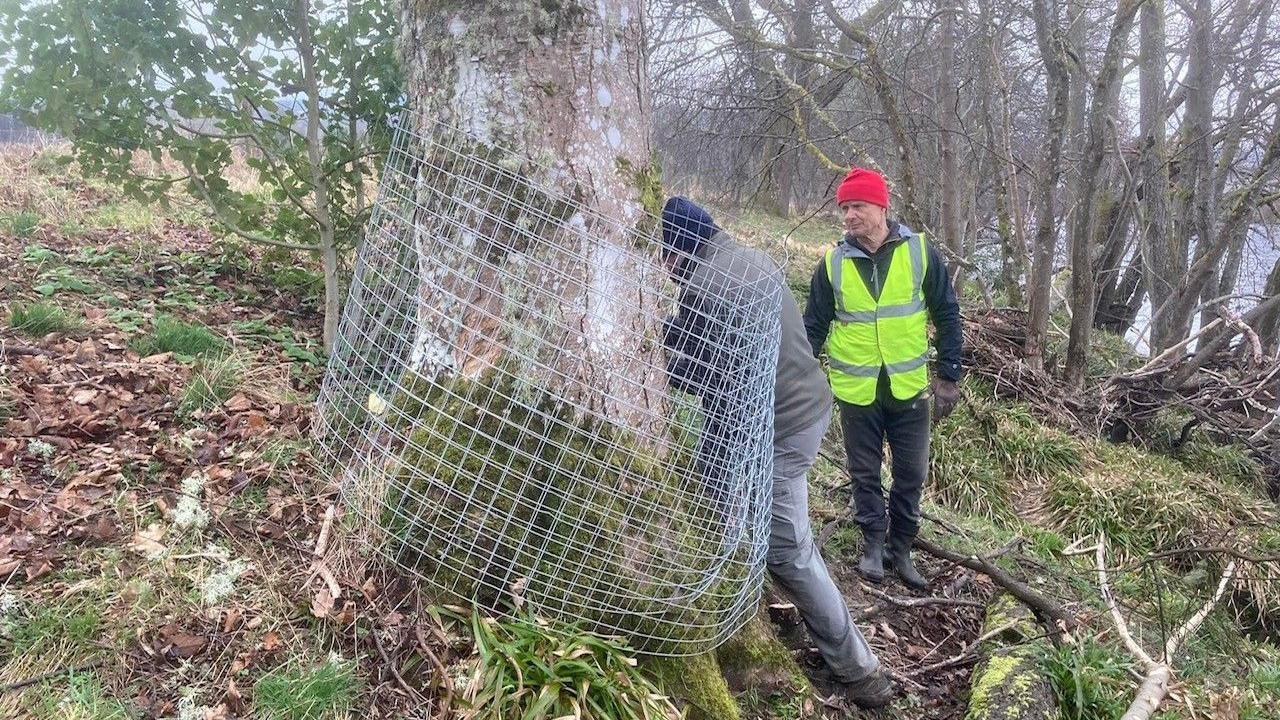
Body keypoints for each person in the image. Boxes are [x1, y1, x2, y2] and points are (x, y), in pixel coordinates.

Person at [660, 196, 895, 709]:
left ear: (676, 252)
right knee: (713, 493)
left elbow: (695, 370)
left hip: (781, 430)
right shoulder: (747, 258)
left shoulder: (704, 286)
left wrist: (647, 353)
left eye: (664, 257)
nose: (664, 268)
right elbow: (711, 342)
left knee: (789, 551)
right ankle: (739, 592)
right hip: (800, 407)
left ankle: (860, 673)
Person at [803, 168, 963, 591]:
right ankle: (873, 544)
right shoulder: (832, 264)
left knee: (911, 473)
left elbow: (947, 313)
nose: (849, 216)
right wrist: (799, 376)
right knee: (864, 472)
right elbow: (813, 327)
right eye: (844, 208)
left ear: (881, 207)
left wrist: (949, 376)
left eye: (857, 206)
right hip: (857, 391)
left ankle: (902, 549)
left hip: (907, 388)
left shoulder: (919, 253)